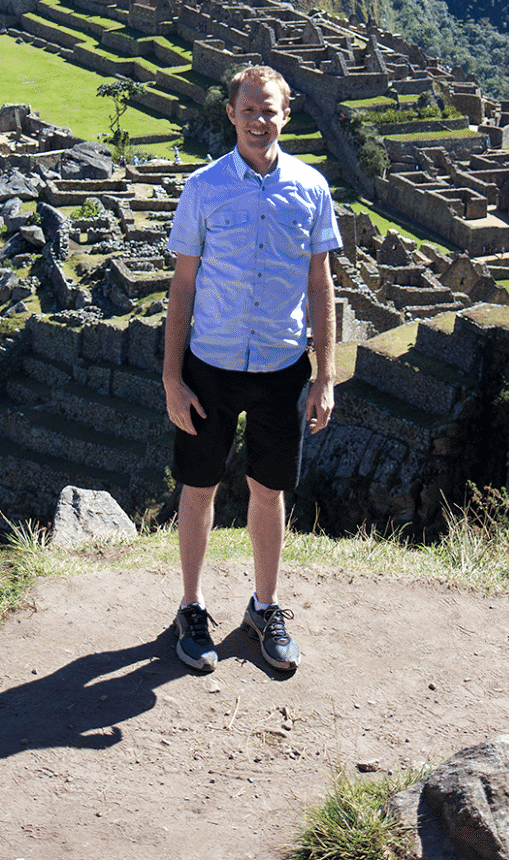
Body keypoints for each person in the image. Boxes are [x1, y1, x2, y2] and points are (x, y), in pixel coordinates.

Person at [162, 64, 340, 674]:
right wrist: (171, 377)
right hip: (209, 363)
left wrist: (325, 376)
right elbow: (181, 286)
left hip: (281, 366)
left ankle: (264, 607)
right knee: (199, 486)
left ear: (286, 115)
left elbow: (321, 286)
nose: (259, 120)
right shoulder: (203, 189)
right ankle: (191, 607)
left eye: (270, 110)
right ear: (231, 115)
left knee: (269, 490)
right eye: (249, 110)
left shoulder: (311, 190)